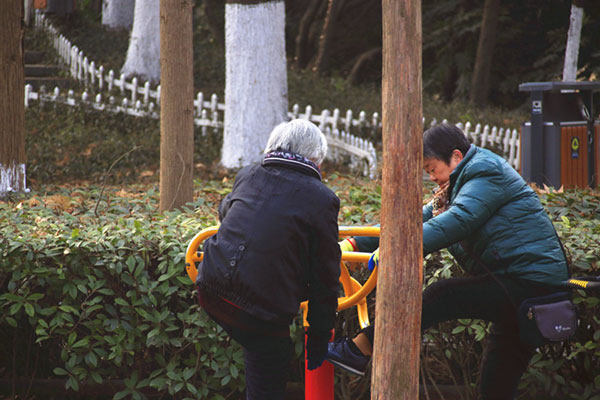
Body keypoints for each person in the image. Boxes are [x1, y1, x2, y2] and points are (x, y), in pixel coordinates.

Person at [327, 123, 569, 399]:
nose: (430, 177)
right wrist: (354, 243)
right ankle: (357, 352)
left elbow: (458, 220)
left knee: (443, 295)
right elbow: (412, 221)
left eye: (431, 168)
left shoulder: (485, 172)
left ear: (456, 156)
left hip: (530, 281)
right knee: (495, 387)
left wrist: (399, 249)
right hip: (519, 284)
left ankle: (358, 349)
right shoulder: (455, 190)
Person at [196, 119, 342, 399]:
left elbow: (228, 210)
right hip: (262, 308)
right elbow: (326, 273)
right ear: (315, 158)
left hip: (211, 288)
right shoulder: (322, 198)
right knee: (271, 356)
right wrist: (321, 338)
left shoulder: (249, 175)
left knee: (259, 344)